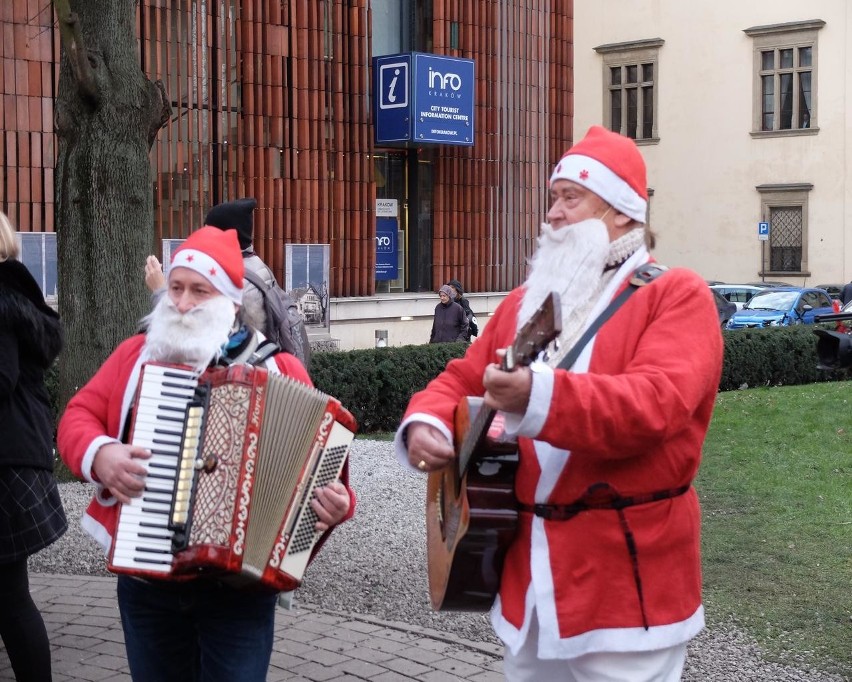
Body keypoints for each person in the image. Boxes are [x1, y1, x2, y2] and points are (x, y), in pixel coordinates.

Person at [396, 126, 724, 681]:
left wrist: (537, 396)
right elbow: (459, 377)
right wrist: (425, 422)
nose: (552, 214)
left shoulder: (676, 294)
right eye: (553, 198)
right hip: (528, 586)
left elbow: (654, 405)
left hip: (624, 588)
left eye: (570, 198)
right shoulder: (528, 302)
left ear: (621, 212)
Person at [57, 226, 354, 681]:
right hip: (147, 582)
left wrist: (338, 505)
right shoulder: (137, 356)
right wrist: (101, 455)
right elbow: (77, 417)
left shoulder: (279, 368)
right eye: (175, 287)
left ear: (232, 302)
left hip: (239, 590)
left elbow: (326, 474)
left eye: (199, 290)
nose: (180, 301)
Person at [0, 211, 67, 682]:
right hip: (16, 458)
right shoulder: (17, 291)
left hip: (4, 464)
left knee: (10, 598)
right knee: (8, 594)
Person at [145, 198, 310, 367]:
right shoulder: (257, 266)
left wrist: (161, 290)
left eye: (209, 231)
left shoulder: (240, 284)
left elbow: (196, 338)